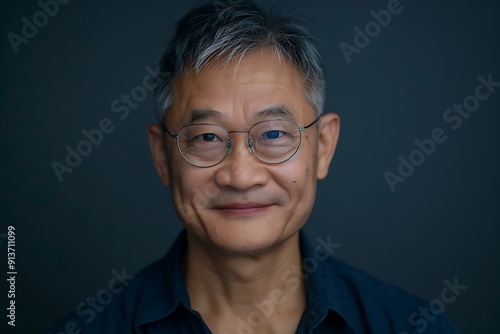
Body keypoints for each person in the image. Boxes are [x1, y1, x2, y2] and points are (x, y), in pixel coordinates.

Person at [49, 1, 459, 333]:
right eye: (208, 137)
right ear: (162, 157)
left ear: (324, 147)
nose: (242, 176)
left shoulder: (411, 326)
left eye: (274, 135)